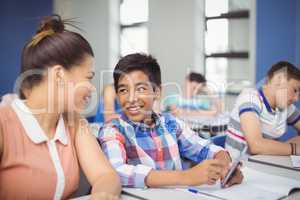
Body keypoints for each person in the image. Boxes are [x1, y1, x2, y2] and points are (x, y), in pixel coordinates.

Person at [0, 15, 121, 200]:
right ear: (59, 75)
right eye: (88, 77)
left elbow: (106, 176)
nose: (92, 87)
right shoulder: (4, 124)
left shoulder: (74, 123)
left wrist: (103, 194)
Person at [98, 53, 243, 188]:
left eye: (140, 89)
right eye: (123, 90)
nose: (131, 99)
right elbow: (116, 172)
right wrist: (185, 177)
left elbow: (204, 148)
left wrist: (224, 165)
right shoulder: (112, 130)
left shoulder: (171, 123)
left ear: (157, 92)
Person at [225, 61, 300, 159]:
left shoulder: (284, 106)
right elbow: (256, 145)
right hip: (241, 167)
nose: (296, 99)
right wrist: (294, 148)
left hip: (266, 162)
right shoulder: (250, 98)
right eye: (295, 90)